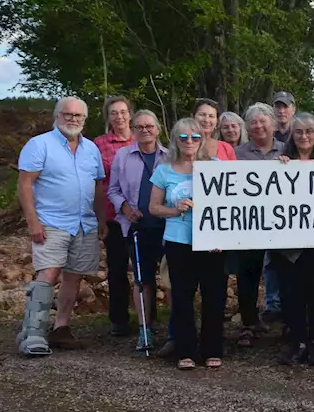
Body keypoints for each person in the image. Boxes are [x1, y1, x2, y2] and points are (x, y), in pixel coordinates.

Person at [14, 97, 108, 356]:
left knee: (74, 276)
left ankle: (61, 328)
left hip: (84, 223)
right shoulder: (39, 145)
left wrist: (101, 220)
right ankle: (33, 333)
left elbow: (97, 187)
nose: (73, 119)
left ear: (84, 120)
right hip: (51, 222)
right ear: (57, 116)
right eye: (67, 114)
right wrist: (33, 221)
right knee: (48, 273)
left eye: (78, 116)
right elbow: (25, 185)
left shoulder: (91, 149)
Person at [149, 118, 227, 371]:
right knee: (182, 297)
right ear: (175, 140)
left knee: (214, 297)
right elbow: (153, 208)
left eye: (195, 137)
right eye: (183, 137)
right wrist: (175, 210)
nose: (190, 142)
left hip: (212, 241)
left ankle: (212, 350)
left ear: (202, 139)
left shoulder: (216, 166)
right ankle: (186, 350)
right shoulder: (164, 170)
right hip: (178, 242)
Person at [273, 114, 314, 366]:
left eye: (309, 131)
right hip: (287, 244)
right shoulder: (279, 162)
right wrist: (277, 169)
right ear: (292, 135)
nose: (304, 136)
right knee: (291, 293)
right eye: (298, 131)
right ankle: (297, 341)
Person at [107, 111, 169, 349]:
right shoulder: (122, 156)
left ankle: (176, 328)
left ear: (158, 129)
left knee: (171, 279)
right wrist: (124, 208)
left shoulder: (169, 155)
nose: (145, 130)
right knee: (142, 280)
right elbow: (112, 190)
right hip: (137, 227)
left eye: (149, 126)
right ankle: (145, 330)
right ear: (133, 129)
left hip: (167, 227)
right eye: (140, 127)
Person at [234, 103, 283, 347]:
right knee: (248, 275)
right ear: (248, 128)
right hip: (248, 225)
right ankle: (248, 323)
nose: (259, 126)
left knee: (284, 273)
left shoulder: (287, 151)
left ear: (273, 125)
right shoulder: (236, 154)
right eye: (253, 122)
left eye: (263, 121)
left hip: (282, 225)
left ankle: (287, 322)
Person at [94, 96, 135, 337]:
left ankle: (146, 318)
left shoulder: (142, 138)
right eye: (113, 113)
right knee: (117, 269)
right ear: (108, 117)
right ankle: (119, 319)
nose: (119, 117)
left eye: (123, 112)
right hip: (113, 215)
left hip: (142, 215)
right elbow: (97, 184)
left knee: (145, 268)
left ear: (130, 114)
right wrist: (100, 220)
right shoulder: (99, 144)